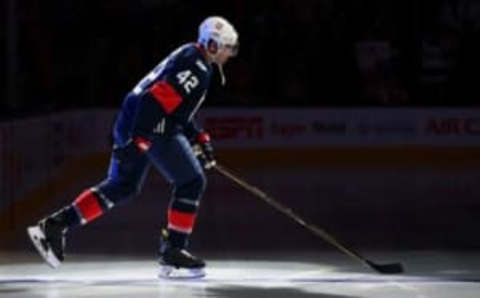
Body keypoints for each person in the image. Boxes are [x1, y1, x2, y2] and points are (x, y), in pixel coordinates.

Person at [27, 16, 239, 278]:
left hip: (133, 118)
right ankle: (173, 252)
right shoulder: (197, 68)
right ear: (213, 45)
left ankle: (55, 225)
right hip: (149, 124)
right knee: (192, 181)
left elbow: (174, 107)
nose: (231, 52)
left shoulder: (191, 55)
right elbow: (154, 102)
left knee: (122, 185)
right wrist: (139, 139)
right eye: (228, 46)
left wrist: (197, 136)